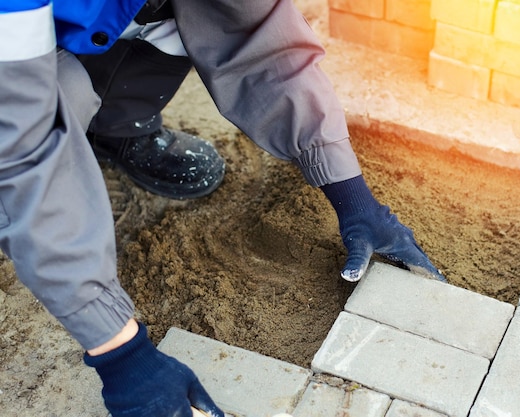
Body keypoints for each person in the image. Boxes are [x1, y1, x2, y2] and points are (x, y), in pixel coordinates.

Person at [0, 1, 445, 417]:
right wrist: (121, 353)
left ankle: (117, 126)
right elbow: (21, 149)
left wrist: (354, 198)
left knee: (189, 15)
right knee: (59, 107)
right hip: (13, 80)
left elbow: (257, 39)